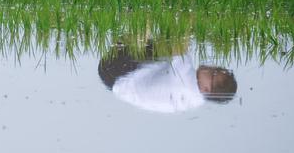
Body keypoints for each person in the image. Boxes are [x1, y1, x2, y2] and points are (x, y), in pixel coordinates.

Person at [98, 42, 237, 113]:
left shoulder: (187, 86)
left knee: (165, 42)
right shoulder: (194, 99)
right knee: (161, 46)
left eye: (214, 73)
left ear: (206, 89)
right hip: (116, 79)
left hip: (117, 73)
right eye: (217, 68)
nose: (212, 67)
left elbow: (179, 41)